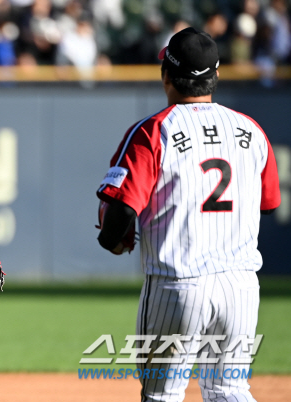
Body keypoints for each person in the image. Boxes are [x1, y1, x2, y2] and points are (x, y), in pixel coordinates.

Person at [96, 28, 281, 402]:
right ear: (215, 75)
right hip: (241, 286)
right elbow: (270, 202)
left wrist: (112, 239)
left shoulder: (153, 131)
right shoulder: (251, 130)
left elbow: (120, 210)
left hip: (177, 283)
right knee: (229, 390)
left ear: (166, 73)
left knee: (163, 395)